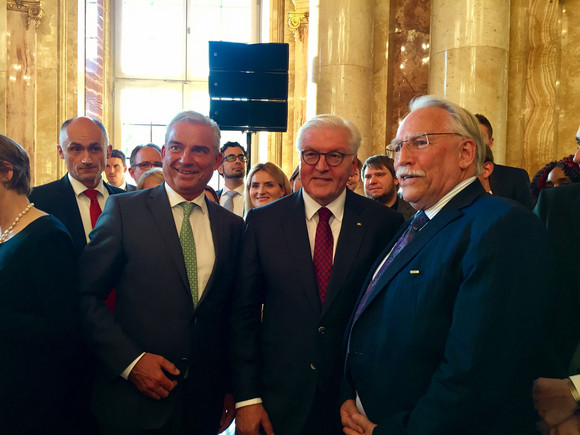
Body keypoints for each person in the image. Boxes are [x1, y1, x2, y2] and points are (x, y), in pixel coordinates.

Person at [341, 96, 564, 434]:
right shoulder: (415, 224)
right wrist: (349, 393)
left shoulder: (501, 224)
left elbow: (478, 371)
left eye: (420, 142)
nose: (403, 159)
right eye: (398, 147)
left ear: (465, 153)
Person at [230, 114, 403, 435]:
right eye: (311, 154)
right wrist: (247, 398)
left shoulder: (384, 224)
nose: (321, 165)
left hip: (353, 402)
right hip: (278, 399)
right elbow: (244, 315)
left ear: (353, 166)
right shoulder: (263, 222)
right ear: (300, 159)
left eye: (335, 156)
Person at [79, 110, 244, 434]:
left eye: (199, 150)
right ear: (164, 152)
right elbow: (85, 296)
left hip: (202, 406)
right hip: (131, 405)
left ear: (216, 161)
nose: (186, 159)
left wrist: (230, 385)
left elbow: (232, 315)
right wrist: (130, 362)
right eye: (177, 147)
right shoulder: (125, 211)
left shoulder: (233, 227)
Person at [0, 134, 84, 434]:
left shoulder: (47, 234)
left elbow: (64, 330)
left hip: (32, 398)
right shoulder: (5, 232)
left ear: (7, 172)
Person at [29, 116, 124, 255]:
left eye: (95, 149)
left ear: (108, 151)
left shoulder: (126, 201)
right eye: (76, 149)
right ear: (61, 151)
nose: (87, 160)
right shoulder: (37, 201)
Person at [475, 113, 533, 208]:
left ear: (491, 142)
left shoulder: (516, 178)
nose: (474, 142)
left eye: (479, 137)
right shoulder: (453, 179)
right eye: (469, 137)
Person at [362, 154, 415, 220]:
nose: (372, 181)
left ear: (396, 179)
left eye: (379, 175)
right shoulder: (352, 214)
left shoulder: (414, 213)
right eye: (368, 177)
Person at [217, 141, 247, 216]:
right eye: (231, 158)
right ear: (220, 168)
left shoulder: (254, 196)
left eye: (241, 157)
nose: (238, 161)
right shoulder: (211, 198)